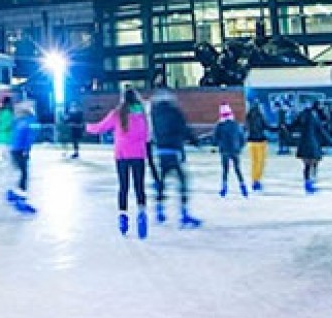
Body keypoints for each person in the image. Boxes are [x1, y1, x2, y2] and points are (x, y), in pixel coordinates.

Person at [88, 89, 151, 238]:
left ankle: (123, 217)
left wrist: (87, 127)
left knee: (123, 187)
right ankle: (142, 214)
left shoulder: (117, 113)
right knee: (139, 186)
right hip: (138, 154)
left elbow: (101, 127)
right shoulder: (142, 115)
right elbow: (147, 135)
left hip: (122, 154)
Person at [147, 91, 200, 228]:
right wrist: (194, 141)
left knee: (162, 181)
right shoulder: (174, 112)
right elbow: (183, 128)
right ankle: (184, 213)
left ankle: (159, 210)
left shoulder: (154, 114)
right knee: (182, 181)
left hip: (160, 151)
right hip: (174, 150)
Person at [289, 98, 327, 194]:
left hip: (306, 143)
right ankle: (309, 182)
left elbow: (293, 125)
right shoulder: (313, 116)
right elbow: (321, 130)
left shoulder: (304, 114)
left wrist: (285, 128)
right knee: (311, 163)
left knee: (308, 164)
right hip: (312, 142)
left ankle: (309, 182)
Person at [6, 100, 38, 214]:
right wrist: (26, 150)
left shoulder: (18, 121)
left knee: (17, 171)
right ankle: (20, 197)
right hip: (20, 150)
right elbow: (28, 138)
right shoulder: (28, 122)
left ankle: (12, 192)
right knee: (23, 173)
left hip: (14, 149)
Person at [213, 103, 247, 197]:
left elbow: (215, 139)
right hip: (235, 150)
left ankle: (224, 188)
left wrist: (216, 146)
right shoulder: (236, 124)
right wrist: (240, 147)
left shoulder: (219, 125)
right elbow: (242, 137)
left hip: (224, 150)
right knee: (237, 169)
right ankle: (243, 186)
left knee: (225, 170)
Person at [243, 97, 272, 192]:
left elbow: (245, 128)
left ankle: (255, 180)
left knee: (254, 163)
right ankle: (257, 181)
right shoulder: (260, 116)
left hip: (251, 142)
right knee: (260, 162)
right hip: (261, 141)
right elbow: (266, 126)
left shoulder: (248, 117)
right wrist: (278, 128)